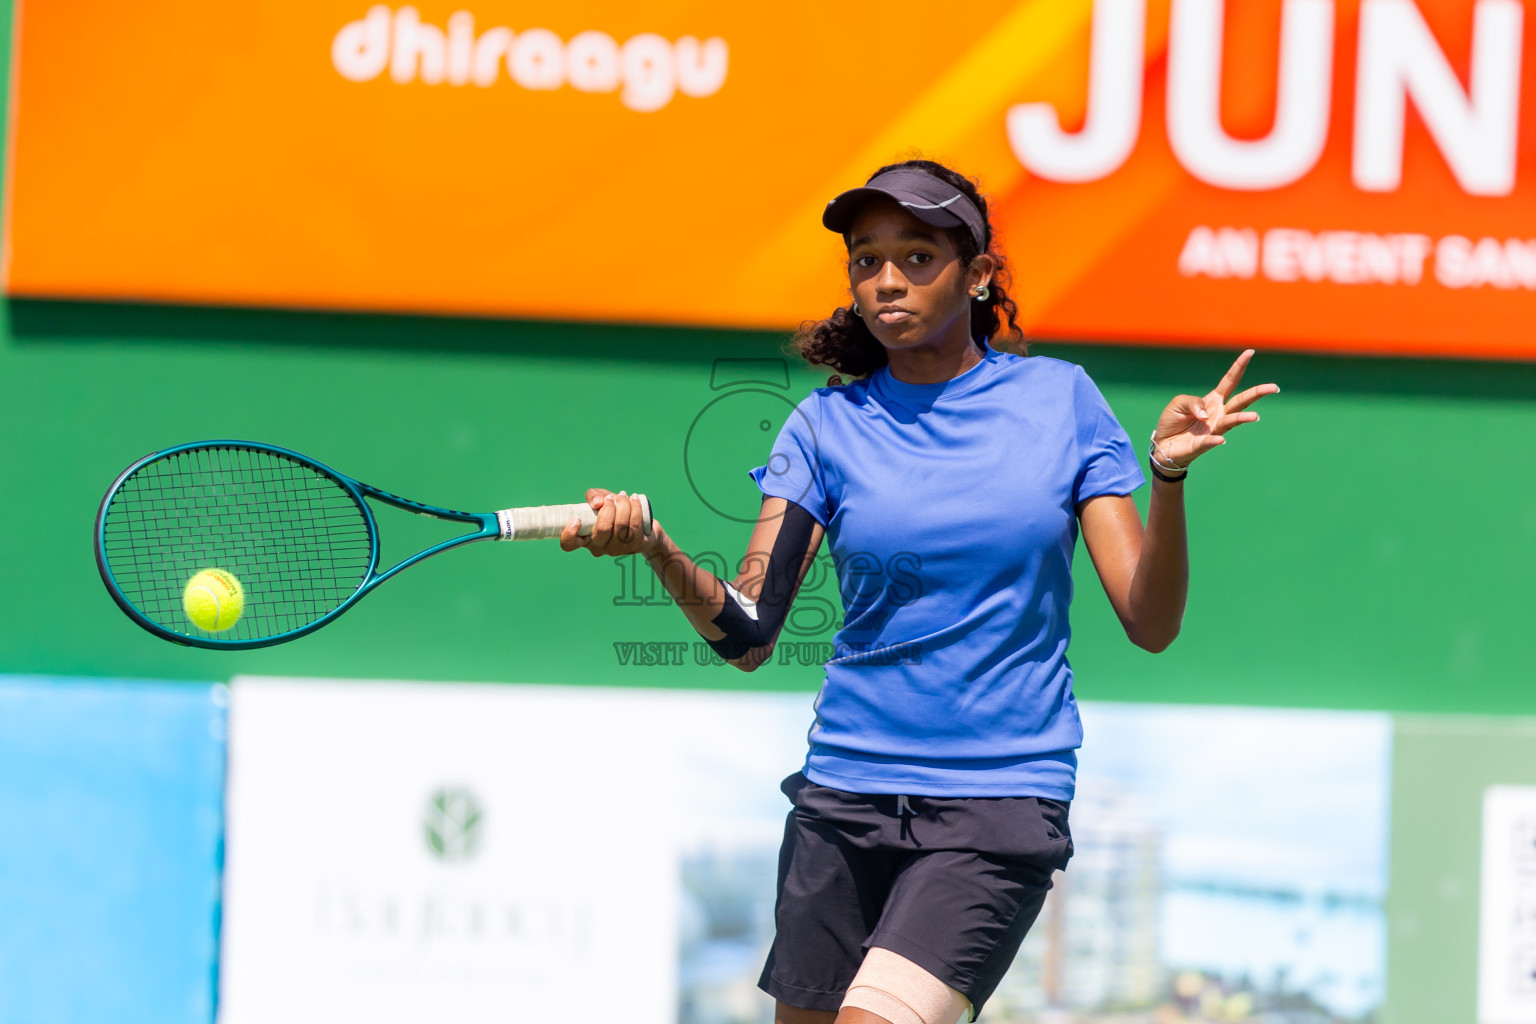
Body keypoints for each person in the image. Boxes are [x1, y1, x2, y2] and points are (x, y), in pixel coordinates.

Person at [560, 158, 1278, 1024]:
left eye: (916, 257)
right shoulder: (822, 427)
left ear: (977, 277)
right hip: (843, 801)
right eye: (866, 260)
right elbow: (749, 630)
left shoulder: (1063, 402)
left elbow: (1150, 622)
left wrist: (1166, 476)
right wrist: (653, 544)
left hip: (997, 805)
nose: (886, 280)